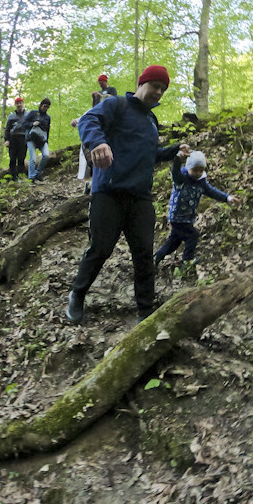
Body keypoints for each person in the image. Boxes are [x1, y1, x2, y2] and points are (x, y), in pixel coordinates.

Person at [66, 65, 190, 325]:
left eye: (163, 89)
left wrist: (173, 151)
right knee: (100, 248)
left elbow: (149, 155)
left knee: (144, 253)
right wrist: (98, 142)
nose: (158, 92)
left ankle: (145, 310)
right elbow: (88, 120)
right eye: (155, 85)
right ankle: (77, 295)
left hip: (140, 197)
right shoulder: (117, 105)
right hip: (108, 192)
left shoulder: (152, 121)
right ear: (141, 83)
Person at [154, 150, 240, 267]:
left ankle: (156, 258)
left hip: (187, 218)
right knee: (192, 235)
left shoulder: (201, 183)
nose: (198, 173)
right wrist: (178, 159)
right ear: (188, 168)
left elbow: (212, 192)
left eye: (201, 170)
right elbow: (175, 172)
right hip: (178, 217)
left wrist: (227, 198)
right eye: (195, 170)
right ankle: (187, 261)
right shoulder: (181, 179)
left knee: (173, 242)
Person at [25, 98, 51, 183]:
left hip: (42, 139)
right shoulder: (33, 113)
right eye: (44, 106)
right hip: (31, 138)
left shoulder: (47, 117)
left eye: (47, 107)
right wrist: (32, 124)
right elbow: (24, 124)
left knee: (46, 155)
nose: (45, 108)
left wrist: (46, 140)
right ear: (41, 105)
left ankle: (38, 173)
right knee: (32, 158)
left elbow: (48, 130)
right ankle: (31, 177)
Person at [4, 97, 28, 181]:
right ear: (15, 105)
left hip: (23, 138)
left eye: (20, 103)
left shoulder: (27, 115)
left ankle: (21, 177)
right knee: (12, 159)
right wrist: (6, 140)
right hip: (13, 139)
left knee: (21, 159)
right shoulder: (11, 117)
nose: (19, 105)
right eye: (17, 103)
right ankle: (12, 178)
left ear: (23, 104)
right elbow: (7, 129)